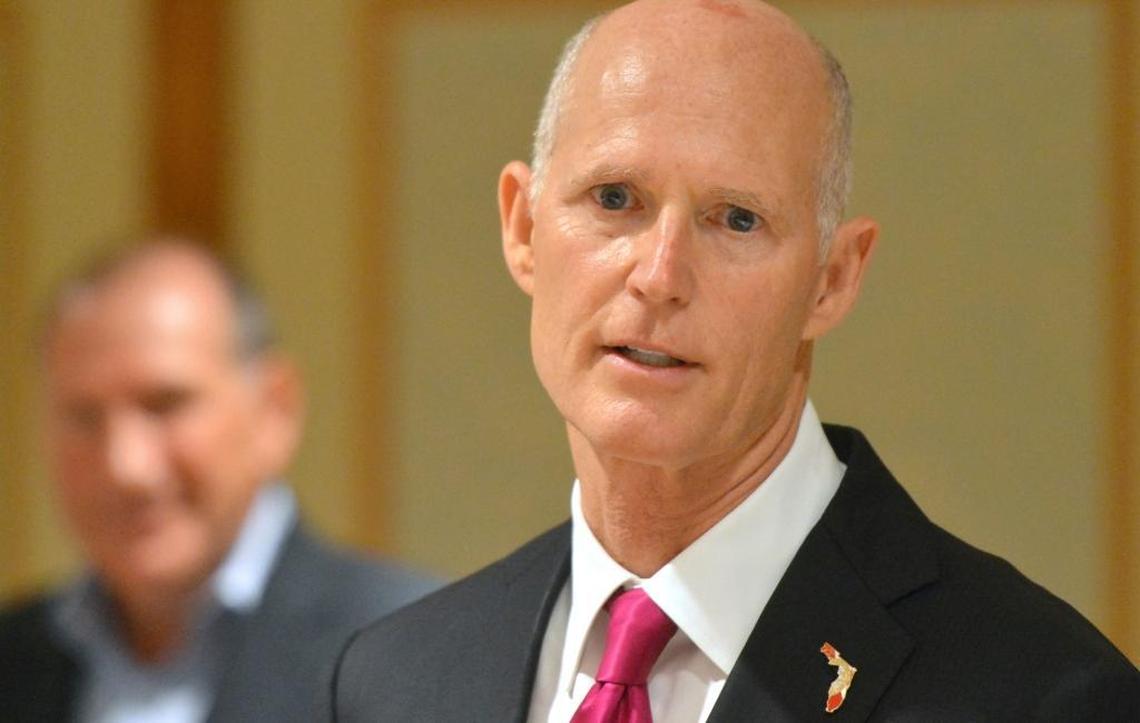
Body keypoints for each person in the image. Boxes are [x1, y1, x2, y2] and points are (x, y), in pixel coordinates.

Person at [330, 0, 1140, 720]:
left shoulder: (1046, 696)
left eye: (737, 219)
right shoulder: (393, 682)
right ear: (522, 227)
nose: (660, 275)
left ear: (833, 278)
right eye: (615, 198)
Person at [0, 238, 438, 722]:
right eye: (83, 417)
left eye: (166, 404)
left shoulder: (412, 650)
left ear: (274, 410)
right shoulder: (15, 659)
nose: (126, 467)